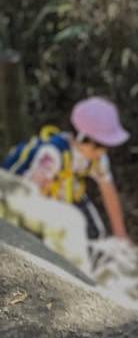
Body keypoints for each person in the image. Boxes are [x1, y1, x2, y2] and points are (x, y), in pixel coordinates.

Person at [2, 97, 130, 240]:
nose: (102, 152)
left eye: (107, 146)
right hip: (32, 197)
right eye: (98, 146)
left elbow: (108, 191)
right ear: (81, 138)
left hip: (68, 194)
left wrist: (121, 236)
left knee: (95, 234)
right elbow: (31, 197)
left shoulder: (98, 159)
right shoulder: (51, 155)